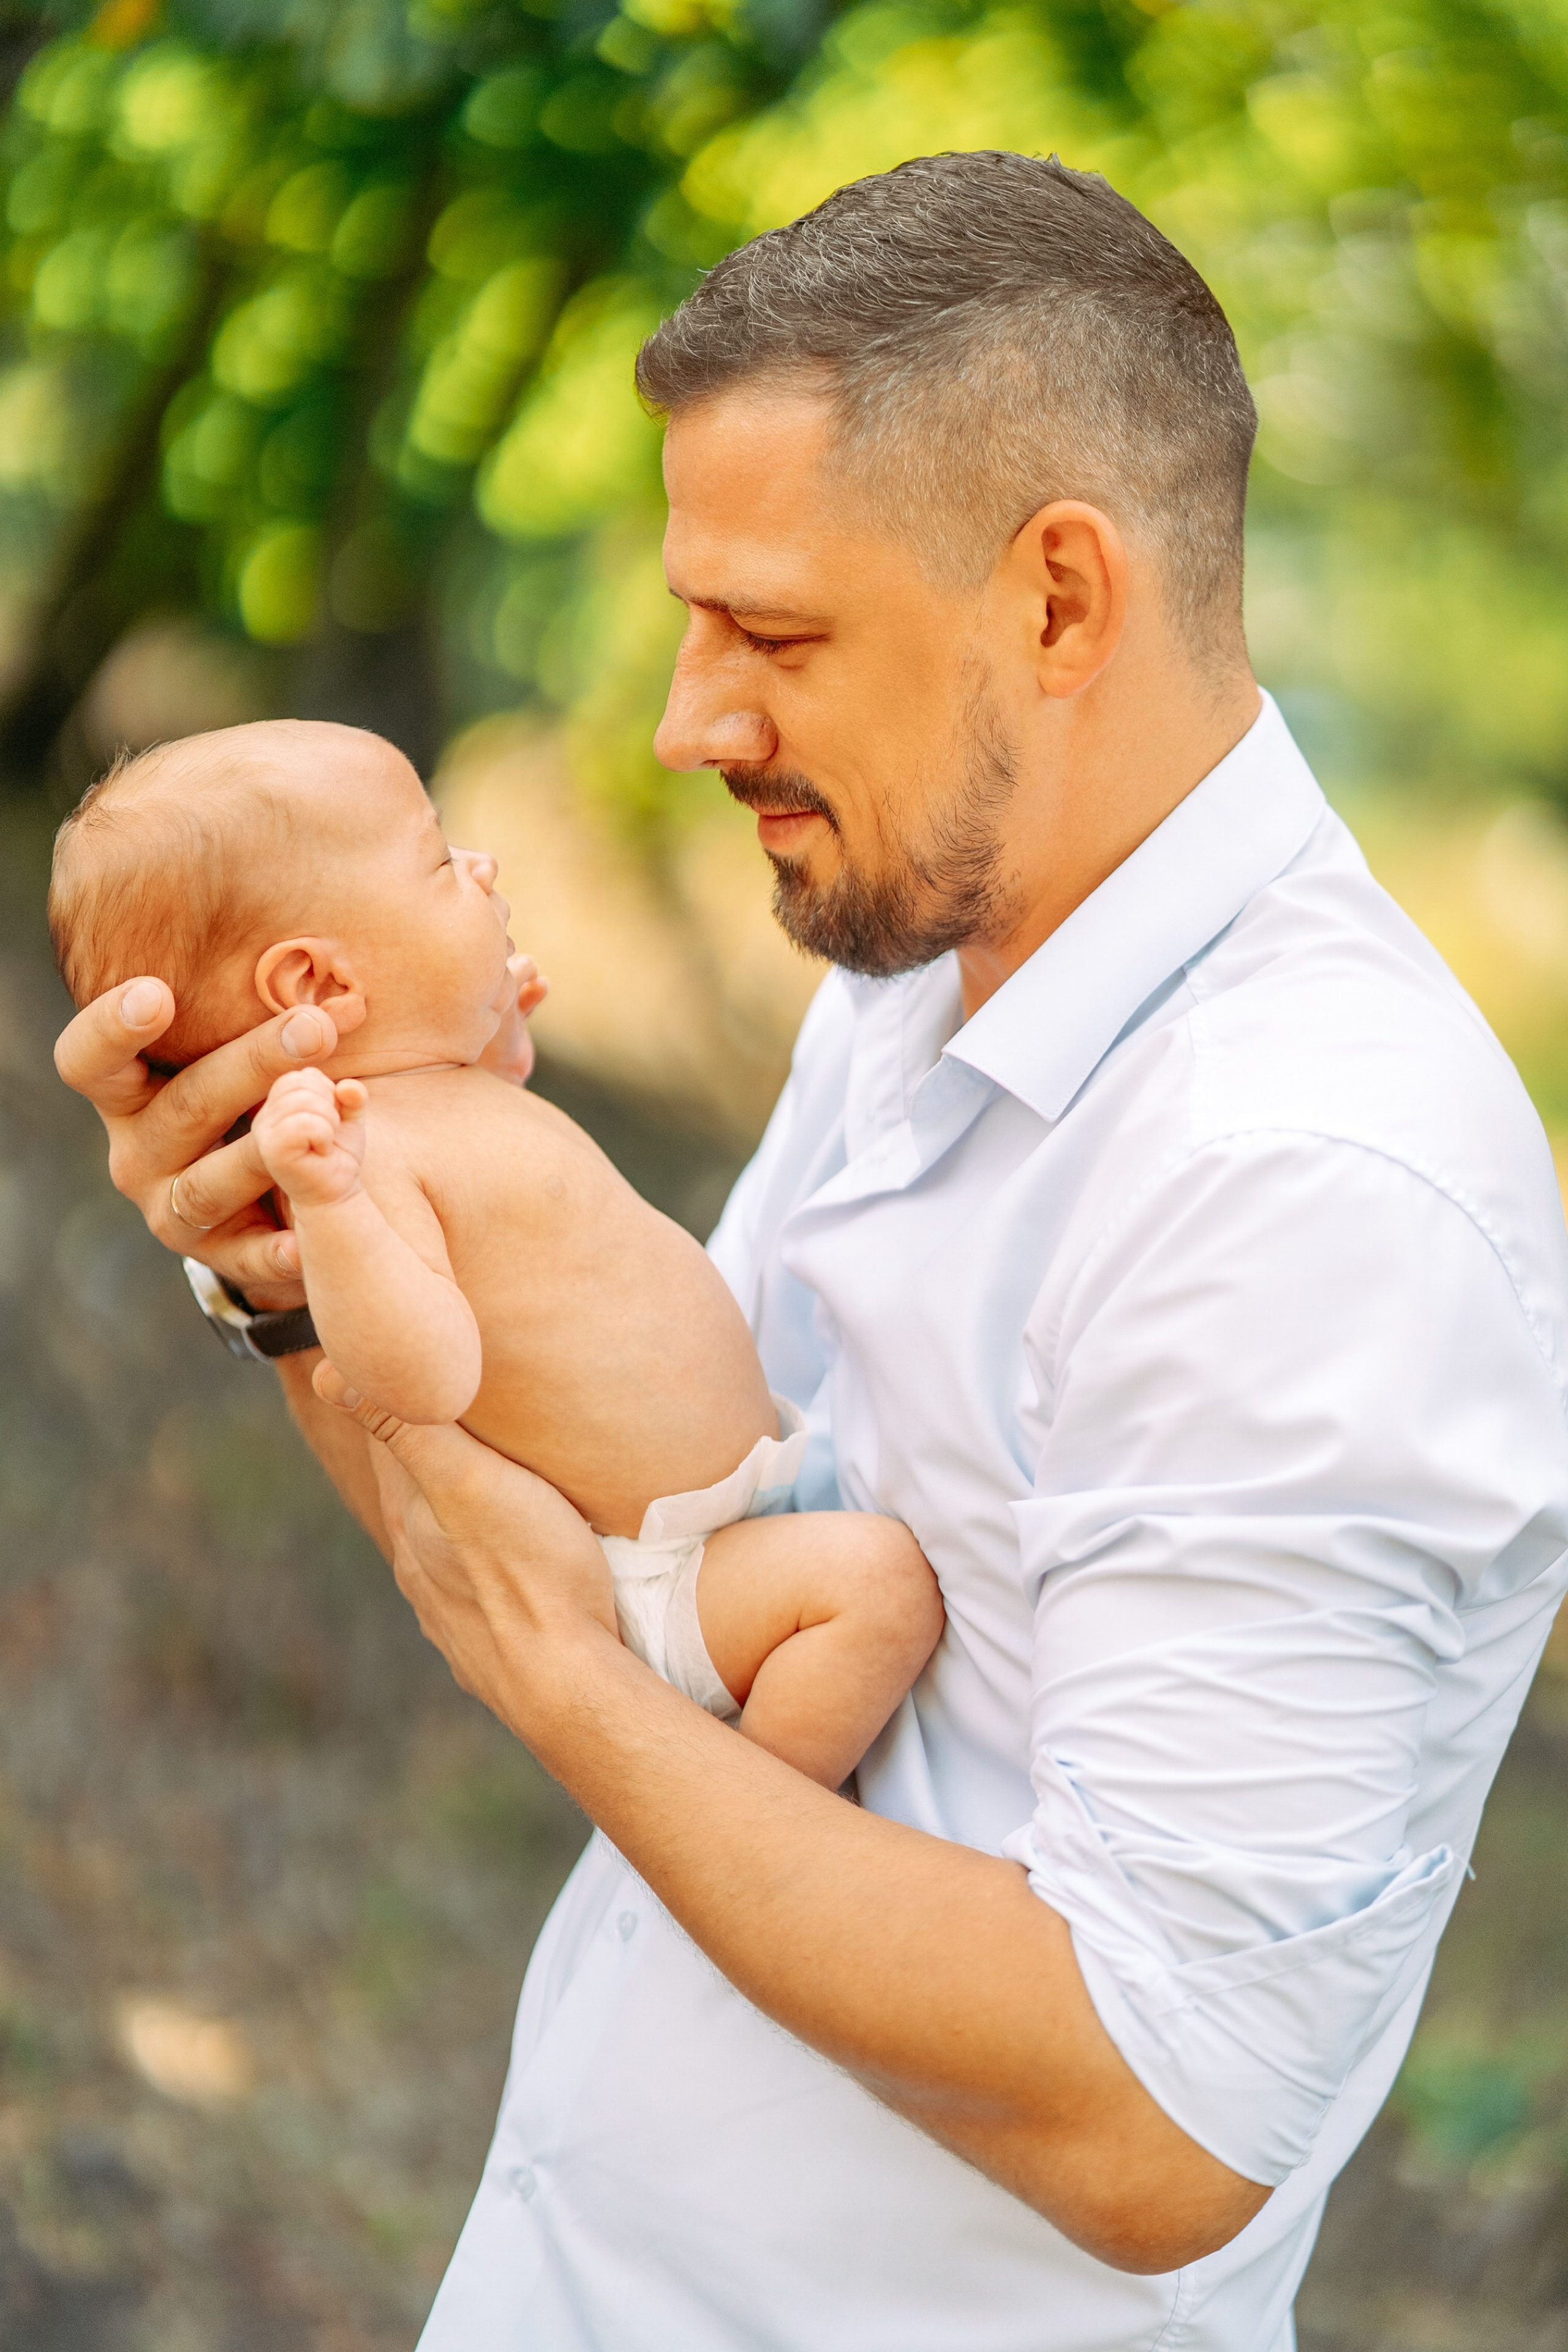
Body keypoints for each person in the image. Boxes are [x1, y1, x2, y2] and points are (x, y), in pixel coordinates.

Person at [56, 151, 1568, 2352]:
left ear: (1061, 602)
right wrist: (289, 1259)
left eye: (772, 635)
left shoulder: (1313, 1184)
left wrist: (560, 1683)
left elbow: (1169, 2117)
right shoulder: (916, 970)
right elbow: (600, 1537)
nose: (687, 723)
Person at [48, 724, 941, 1789]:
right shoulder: (361, 1161)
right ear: (317, 987)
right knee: (880, 1591)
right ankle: (768, 1817)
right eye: (439, 861)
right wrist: (330, 1208)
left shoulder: (441, 1094)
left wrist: (500, 1037)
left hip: (724, 1518)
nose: (483, 867)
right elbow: (424, 1377)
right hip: (658, 1575)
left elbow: (520, 1223)